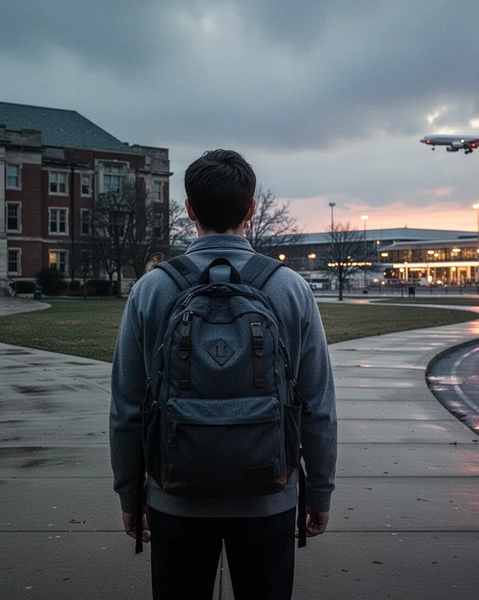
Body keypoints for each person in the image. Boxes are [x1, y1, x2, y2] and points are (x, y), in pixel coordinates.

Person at [110, 149, 337, 600]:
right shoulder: (289, 288)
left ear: (189, 210)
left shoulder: (152, 289)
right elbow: (318, 406)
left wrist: (130, 493)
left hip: (176, 495)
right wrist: (320, 490)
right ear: (252, 208)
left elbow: (127, 408)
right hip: (268, 497)